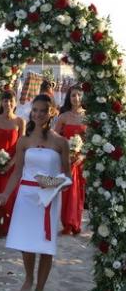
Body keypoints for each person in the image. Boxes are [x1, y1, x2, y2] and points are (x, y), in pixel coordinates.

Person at [0, 94, 71, 291]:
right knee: (27, 242)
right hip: (26, 196)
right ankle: (28, 278)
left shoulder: (61, 142)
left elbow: (68, 178)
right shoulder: (24, 141)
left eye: (43, 110)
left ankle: (40, 288)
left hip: (48, 197)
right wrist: (6, 194)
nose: (38, 114)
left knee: (45, 245)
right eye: (34, 110)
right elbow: (17, 172)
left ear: (52, 112)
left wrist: (52, 184)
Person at [0, 90, 25, 239]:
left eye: (11, 101)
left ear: (15, 103)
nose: (8, 104)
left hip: (12, 166)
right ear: (1, 103)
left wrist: (10, 164)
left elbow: (21, 147)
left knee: (10, 198)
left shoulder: (20, 122)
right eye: (5, 101)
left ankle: (8, 229)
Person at [55, 84, 86, 235]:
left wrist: (82, 155)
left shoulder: (88, 117)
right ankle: (67, 223)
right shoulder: (63, 117)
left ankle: (75, 223)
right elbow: (55, 138)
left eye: (79, 95)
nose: (76, 98)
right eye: (73, 95)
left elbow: (90, 141)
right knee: (67, 191)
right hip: (66, 159)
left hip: (80, 160)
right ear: (69, 97)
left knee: (79, 191)